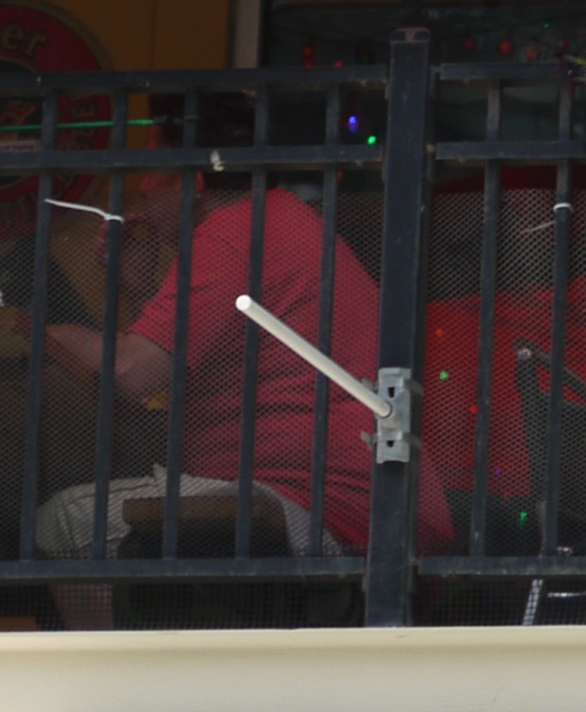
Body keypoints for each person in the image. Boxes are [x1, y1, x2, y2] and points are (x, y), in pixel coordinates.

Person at [33, 158, 445, 610]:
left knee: (66, 520)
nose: (143, 187)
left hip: (330, 509)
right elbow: (169, 388)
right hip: (360, 506)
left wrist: (41, 334)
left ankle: (129, 661)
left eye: (156, 171)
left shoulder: (232, 235)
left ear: (197, 182)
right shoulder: (268, 221)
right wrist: (139, 287)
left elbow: (133, 373)